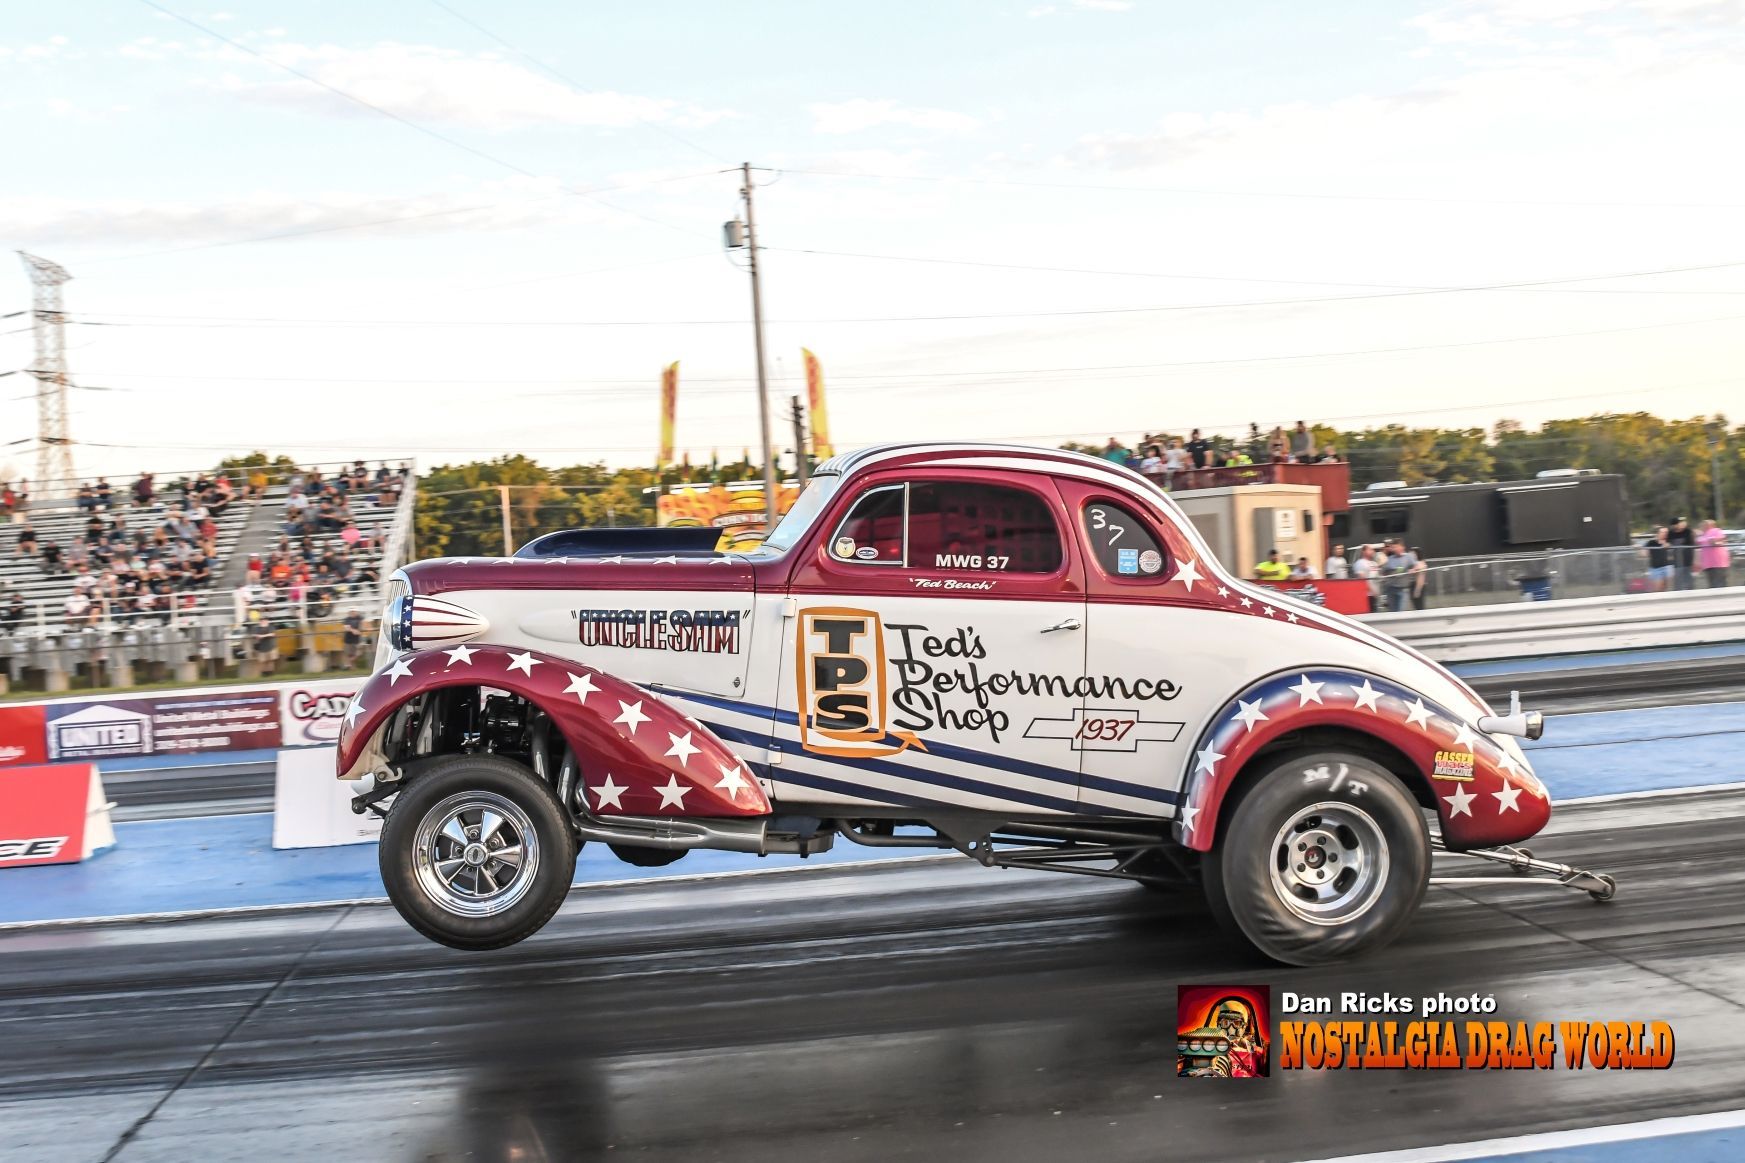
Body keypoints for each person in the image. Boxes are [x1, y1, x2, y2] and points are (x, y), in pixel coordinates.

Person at [1381, 539, 1419, 612]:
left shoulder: (1409, 557)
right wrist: (1384, 577)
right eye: (1393, 547)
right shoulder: (1390, 559)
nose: (1394, 549)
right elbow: (1383, 571)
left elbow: (1417, 565)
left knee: (1401, 612)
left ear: (1402, 547)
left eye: (1396, 547)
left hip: (1403, 589)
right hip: (1390, 589)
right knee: (1393, 612)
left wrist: (1413, 569)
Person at [1666, 517, 1697, 590]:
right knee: (1678, 577)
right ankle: (1678, 592)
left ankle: (1690, 592)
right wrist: (1667, 544)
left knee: (1688, 577)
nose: (1675, 526)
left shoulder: (1687, 531)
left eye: (1677, 524)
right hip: (1677, 560)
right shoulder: (1671, 532)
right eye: (1673, 525)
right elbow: (1668, 543)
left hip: (1687, 559)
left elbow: (1693, 543)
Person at [1697, 519, 1730, 588]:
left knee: (1720, 584)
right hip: (1708, 564)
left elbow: (1721, 541)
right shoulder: (1703, 534)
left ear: (1709, 525)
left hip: (1718, 563)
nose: (1701, 526)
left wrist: (1714, 542)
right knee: (1712, 585)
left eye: (1703, 524)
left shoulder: (1716, 530)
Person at [1642, 526, 1673, 592]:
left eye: (1666, 532)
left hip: (1667, 567)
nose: (1664, 534)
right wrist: (1643, 551)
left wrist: (1667, 545)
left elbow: (1670, 546)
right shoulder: (1651, 542)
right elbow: (1644, 553)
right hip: (1656, 568)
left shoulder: (1668, 541)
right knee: (1658, 589)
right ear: (1658, 533)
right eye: (1662, 532)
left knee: (1666, 587)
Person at [1352, 543, 1381, 612]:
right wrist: (1372, 591)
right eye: (1370, 550)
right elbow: (1362, 580)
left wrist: (1377, 592)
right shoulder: (1360, 563)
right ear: (1363, 551)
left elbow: (1377, 577)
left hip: (1375, 594)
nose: (1372, 551)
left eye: (1373, 550)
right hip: (1367, 595)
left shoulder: (1374, 563)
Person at [1409, 545, 1430, 610]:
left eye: (1413, 553)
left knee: (1419, 606)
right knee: (1415, 605)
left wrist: (1417, 590)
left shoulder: (1421, 563)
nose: (1411, 555)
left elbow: (1421, 578)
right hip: (1413, 585)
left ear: (1417, 554)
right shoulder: (1413, 563)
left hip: (1418, 585)